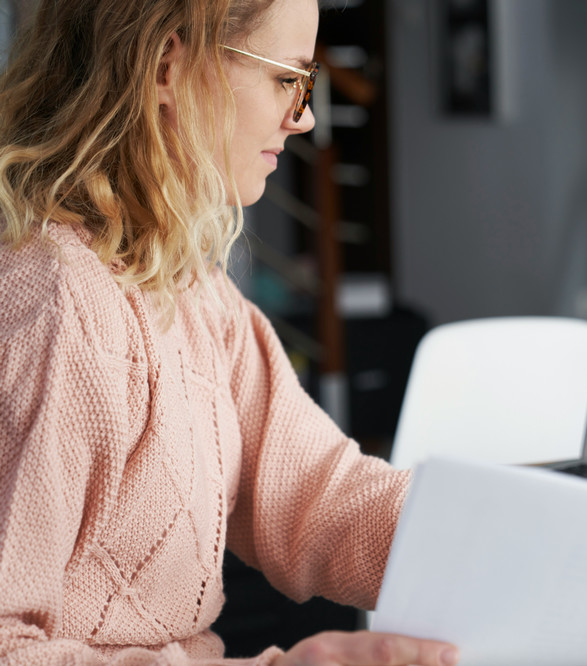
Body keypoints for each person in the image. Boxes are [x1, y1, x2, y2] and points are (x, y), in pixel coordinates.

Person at [0, 1, 459, 664]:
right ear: (166, 65)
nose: (301, 115)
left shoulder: (190, 287)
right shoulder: (52, 300)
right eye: (287, 78)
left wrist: (506, 537)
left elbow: (319, 498)